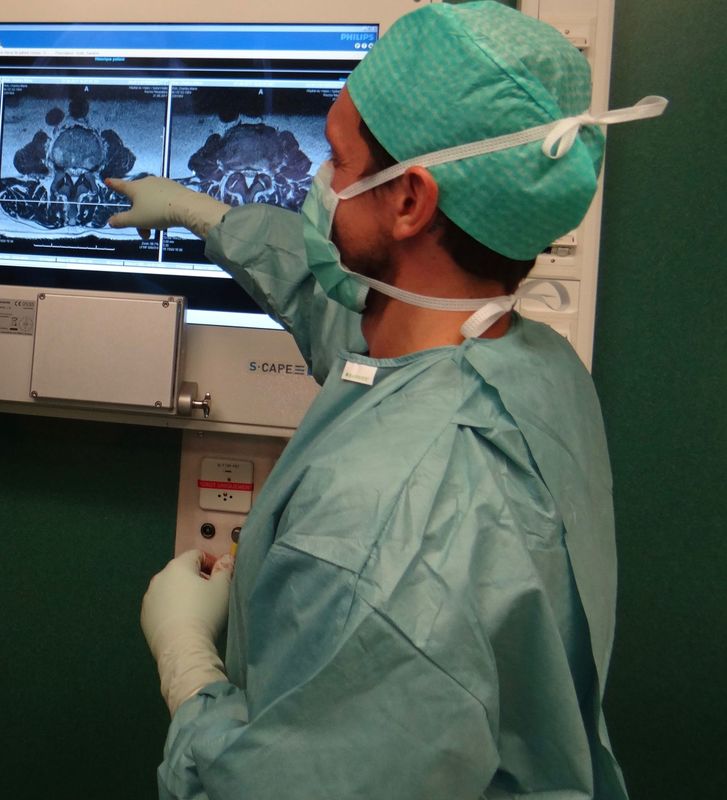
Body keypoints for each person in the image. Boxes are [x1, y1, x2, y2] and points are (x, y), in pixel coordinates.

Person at [108, 3, 666, 798]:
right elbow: (344, 318)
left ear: (409, 201)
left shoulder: (386, 536)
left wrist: (187, 666)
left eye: (336, 160)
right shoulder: (528, 368)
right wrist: (207, 215)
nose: (319, 182)